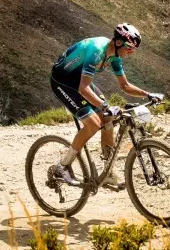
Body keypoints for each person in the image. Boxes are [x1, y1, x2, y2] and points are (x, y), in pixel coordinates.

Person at [48, 23, 163, 189]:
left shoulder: (115, 56)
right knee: (94, 124)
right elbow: (83, 88)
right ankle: (62, 166)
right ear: (117, 43)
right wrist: (103, 105)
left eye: (133, 49)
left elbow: (124, 86)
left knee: (109, 117)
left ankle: (107, 171)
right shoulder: (96, 50)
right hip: (63, 81)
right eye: (129, 48)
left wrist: (148, 94)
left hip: (79, 80)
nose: (131, 52)